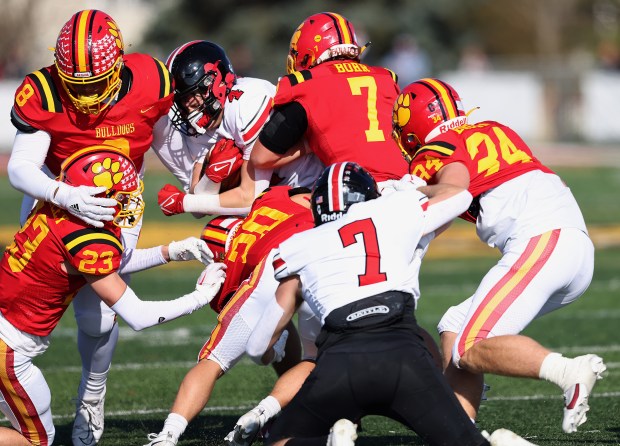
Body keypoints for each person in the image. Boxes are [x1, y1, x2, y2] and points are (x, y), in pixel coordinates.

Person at [244, 161, 536, 446]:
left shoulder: (300, 246)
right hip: (404, 356)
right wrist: (412, 188)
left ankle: (328, 442)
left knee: (279, 442)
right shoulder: (392, 210)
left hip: (340, 363)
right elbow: (460, 196)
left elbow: (257, 347)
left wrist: (270, 353)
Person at [392, 77, 606, 433]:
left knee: (469, 344)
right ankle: (461, 431)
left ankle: (569, 372)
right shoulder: (494, 129)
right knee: (454, 325)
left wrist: (410, 190)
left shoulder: (439, 147)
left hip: (542, 240)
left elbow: (453, 191)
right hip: (568, 243)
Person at [6, 9, 175, 444]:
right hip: (56, 196)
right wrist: (66, 195)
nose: (84, 97)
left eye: (94, 85)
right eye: (75, 86)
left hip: (120, 203)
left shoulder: (153, 81)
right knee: (36, 291)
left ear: (119, 64)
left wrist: (194, 185)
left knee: (97, 313)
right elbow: (22, 168)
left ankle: (92, 394)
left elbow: (164, 142)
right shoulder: (44, 91)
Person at [0, 146, 226, 446]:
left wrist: (169, 251)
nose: (128, 202)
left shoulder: (52, 209)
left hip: (5, 327)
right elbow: (138, 316)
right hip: (10, 349)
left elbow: (100, 265)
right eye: (121, 194)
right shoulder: (86, 240)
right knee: (37, 442)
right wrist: (199, 296)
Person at [144, 186, 320, 446]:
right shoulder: (272, 197)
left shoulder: (231, 268)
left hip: (271, 274)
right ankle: (276, 411)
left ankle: (168, 436)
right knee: (315, 358)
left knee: (213, 362)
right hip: (314, 257)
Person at [152, 40, 323, 218]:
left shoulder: (246, 103)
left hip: (310, 191)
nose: (187, 107)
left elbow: (251, 198)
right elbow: (199, 209)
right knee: (219, 230)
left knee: (220, 234)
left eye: (190, 96)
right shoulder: (201, 128)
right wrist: (211, 178)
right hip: (275, 198)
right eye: (181, 101)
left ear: (212, 82)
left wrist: (184, 202)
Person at [249, 12, 408, 186]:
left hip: (358, 191)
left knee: (275, 201)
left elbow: (260, 158)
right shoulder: (386, 78)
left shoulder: (305, 84)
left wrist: (310, 145)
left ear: (307, 51)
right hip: (409, 185)